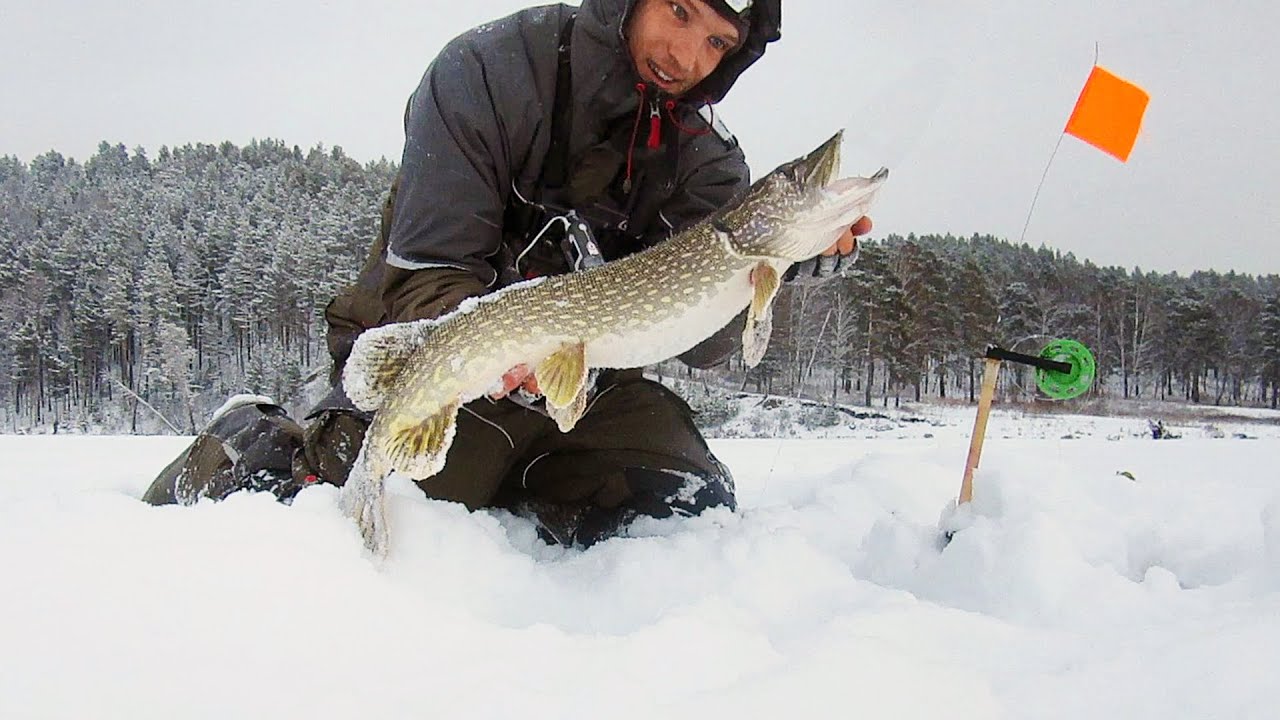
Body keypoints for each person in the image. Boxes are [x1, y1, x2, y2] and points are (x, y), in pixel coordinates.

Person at [144, 0, 872, 546]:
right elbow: (430, 266)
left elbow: (704, 343)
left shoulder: (711, 164)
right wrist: (500, 353)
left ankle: (523, 487)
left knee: (681, 514)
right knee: (383, 506)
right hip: (445, 340)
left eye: (717, 40)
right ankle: (265, 438)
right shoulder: (489, 72)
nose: (685, 56)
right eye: (677, 11)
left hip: (585, 382)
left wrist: (792, 260)